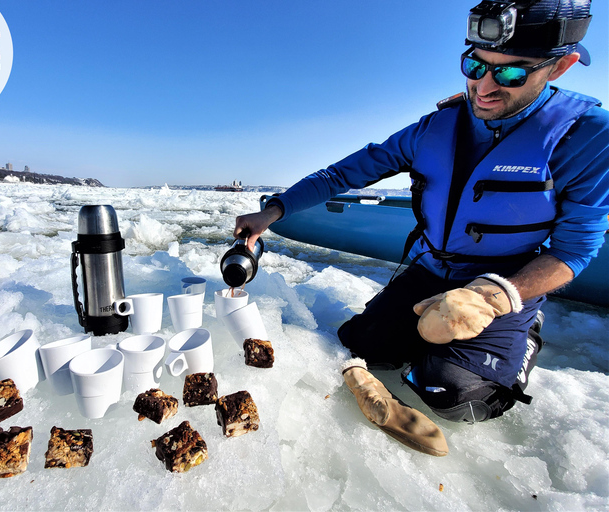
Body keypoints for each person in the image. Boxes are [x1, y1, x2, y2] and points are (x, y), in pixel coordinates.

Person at [234, 0, 609, 456]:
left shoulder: (587, 136)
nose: (484, 86)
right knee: (360, 343)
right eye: (475, 65)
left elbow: (573, 251)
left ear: (561, 67)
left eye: (511, 74)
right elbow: (342, 175)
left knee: (449, 393)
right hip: (432, 268)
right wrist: (273, 210)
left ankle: (519, 332)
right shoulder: (435, 126)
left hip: (502, 279)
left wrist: (492, 296)